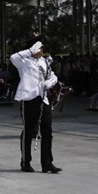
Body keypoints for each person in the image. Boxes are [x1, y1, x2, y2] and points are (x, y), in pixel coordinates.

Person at [10, 36, 61, 173]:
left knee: (47, 130)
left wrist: (49, 83)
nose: (42, 50)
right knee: (29, 130)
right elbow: (13, 57)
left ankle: (47, 163)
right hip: (29, 99)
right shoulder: (24, 61)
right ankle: (25, 162)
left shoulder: (44, 62)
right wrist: (30, 50)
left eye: (42, 47)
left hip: (43, 99)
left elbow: (52, 76)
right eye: (40, 47)